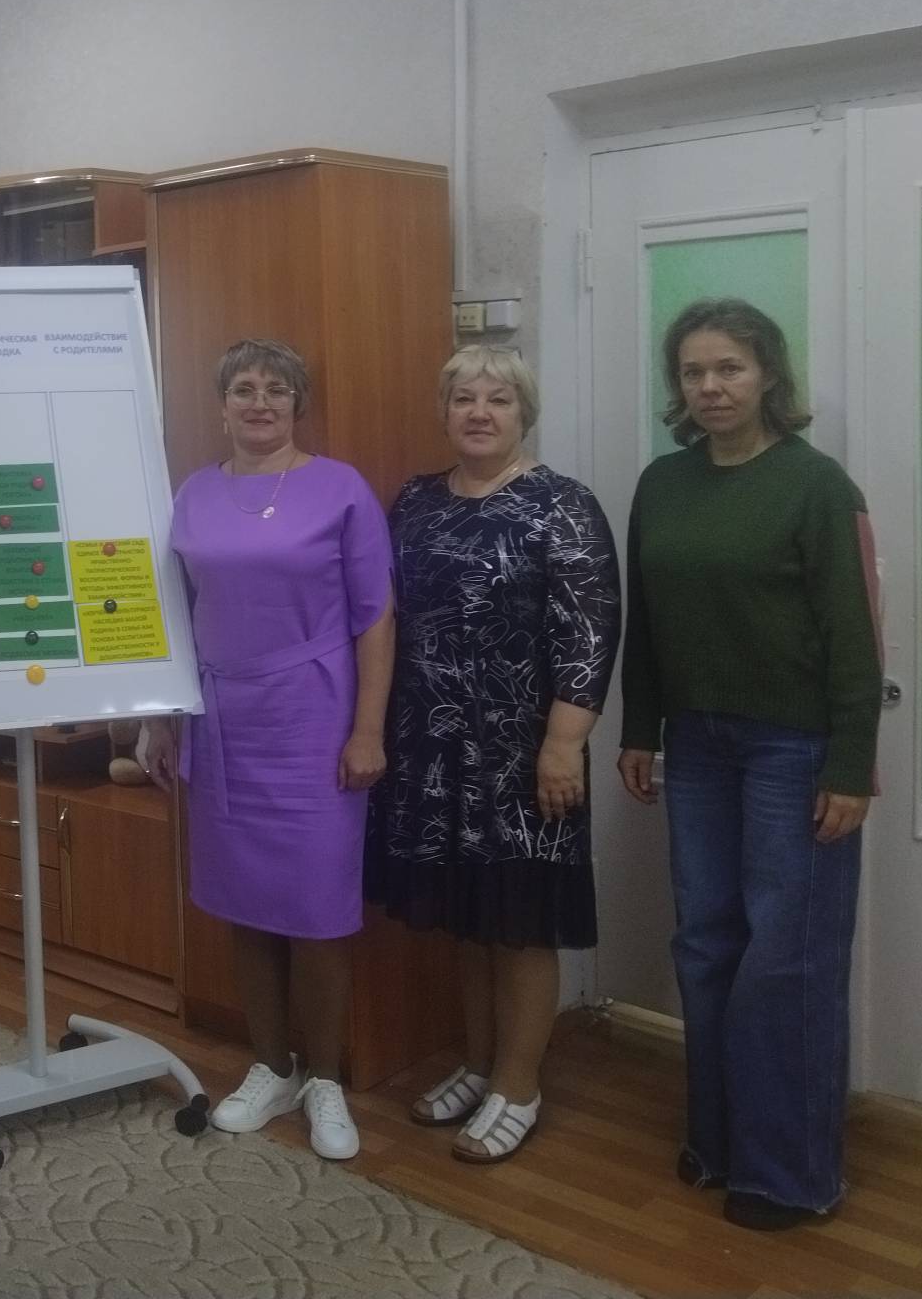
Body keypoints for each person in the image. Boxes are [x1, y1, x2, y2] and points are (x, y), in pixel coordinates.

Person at [619, 298, 881, 1232]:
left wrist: (851, 765)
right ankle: (719, 1140)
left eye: (729, 368)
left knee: (787, 959)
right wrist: (639, 727)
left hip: (792, 750)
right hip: (696, 745)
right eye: (693, 372)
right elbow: (645, 621)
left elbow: (854, 639)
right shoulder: (663, 483)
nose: (711, 387)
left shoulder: (817, 486)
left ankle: (789, 1174)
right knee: (706, 943)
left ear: (768, 373)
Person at [138, 338, 395, 1162]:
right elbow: (172, 612)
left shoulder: (341, 489)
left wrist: (367, 728)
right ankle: (271, 1067)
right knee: (244, 901)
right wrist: (159, 717)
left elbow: (375, 618)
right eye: (244, 388)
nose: (259, 402)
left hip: (314, 720)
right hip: (221, 720)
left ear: (297, 405)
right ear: (221, 406)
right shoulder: (193, 493)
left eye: (276, 390)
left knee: (318, 911)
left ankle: (325, 1080)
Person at [366, 346, 619, 1163]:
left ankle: (519, 1084)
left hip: (525, 755)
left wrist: (564, 745)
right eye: (464, 398)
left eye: (499, 399)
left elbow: (589, 635)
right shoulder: (415, 500)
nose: (479, 412)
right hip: (432, 747)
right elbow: (387, 616)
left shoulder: (562, 504)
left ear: (523, 414)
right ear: (444, 411)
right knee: (468, 921)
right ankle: (478, 1065)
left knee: (521, 923)